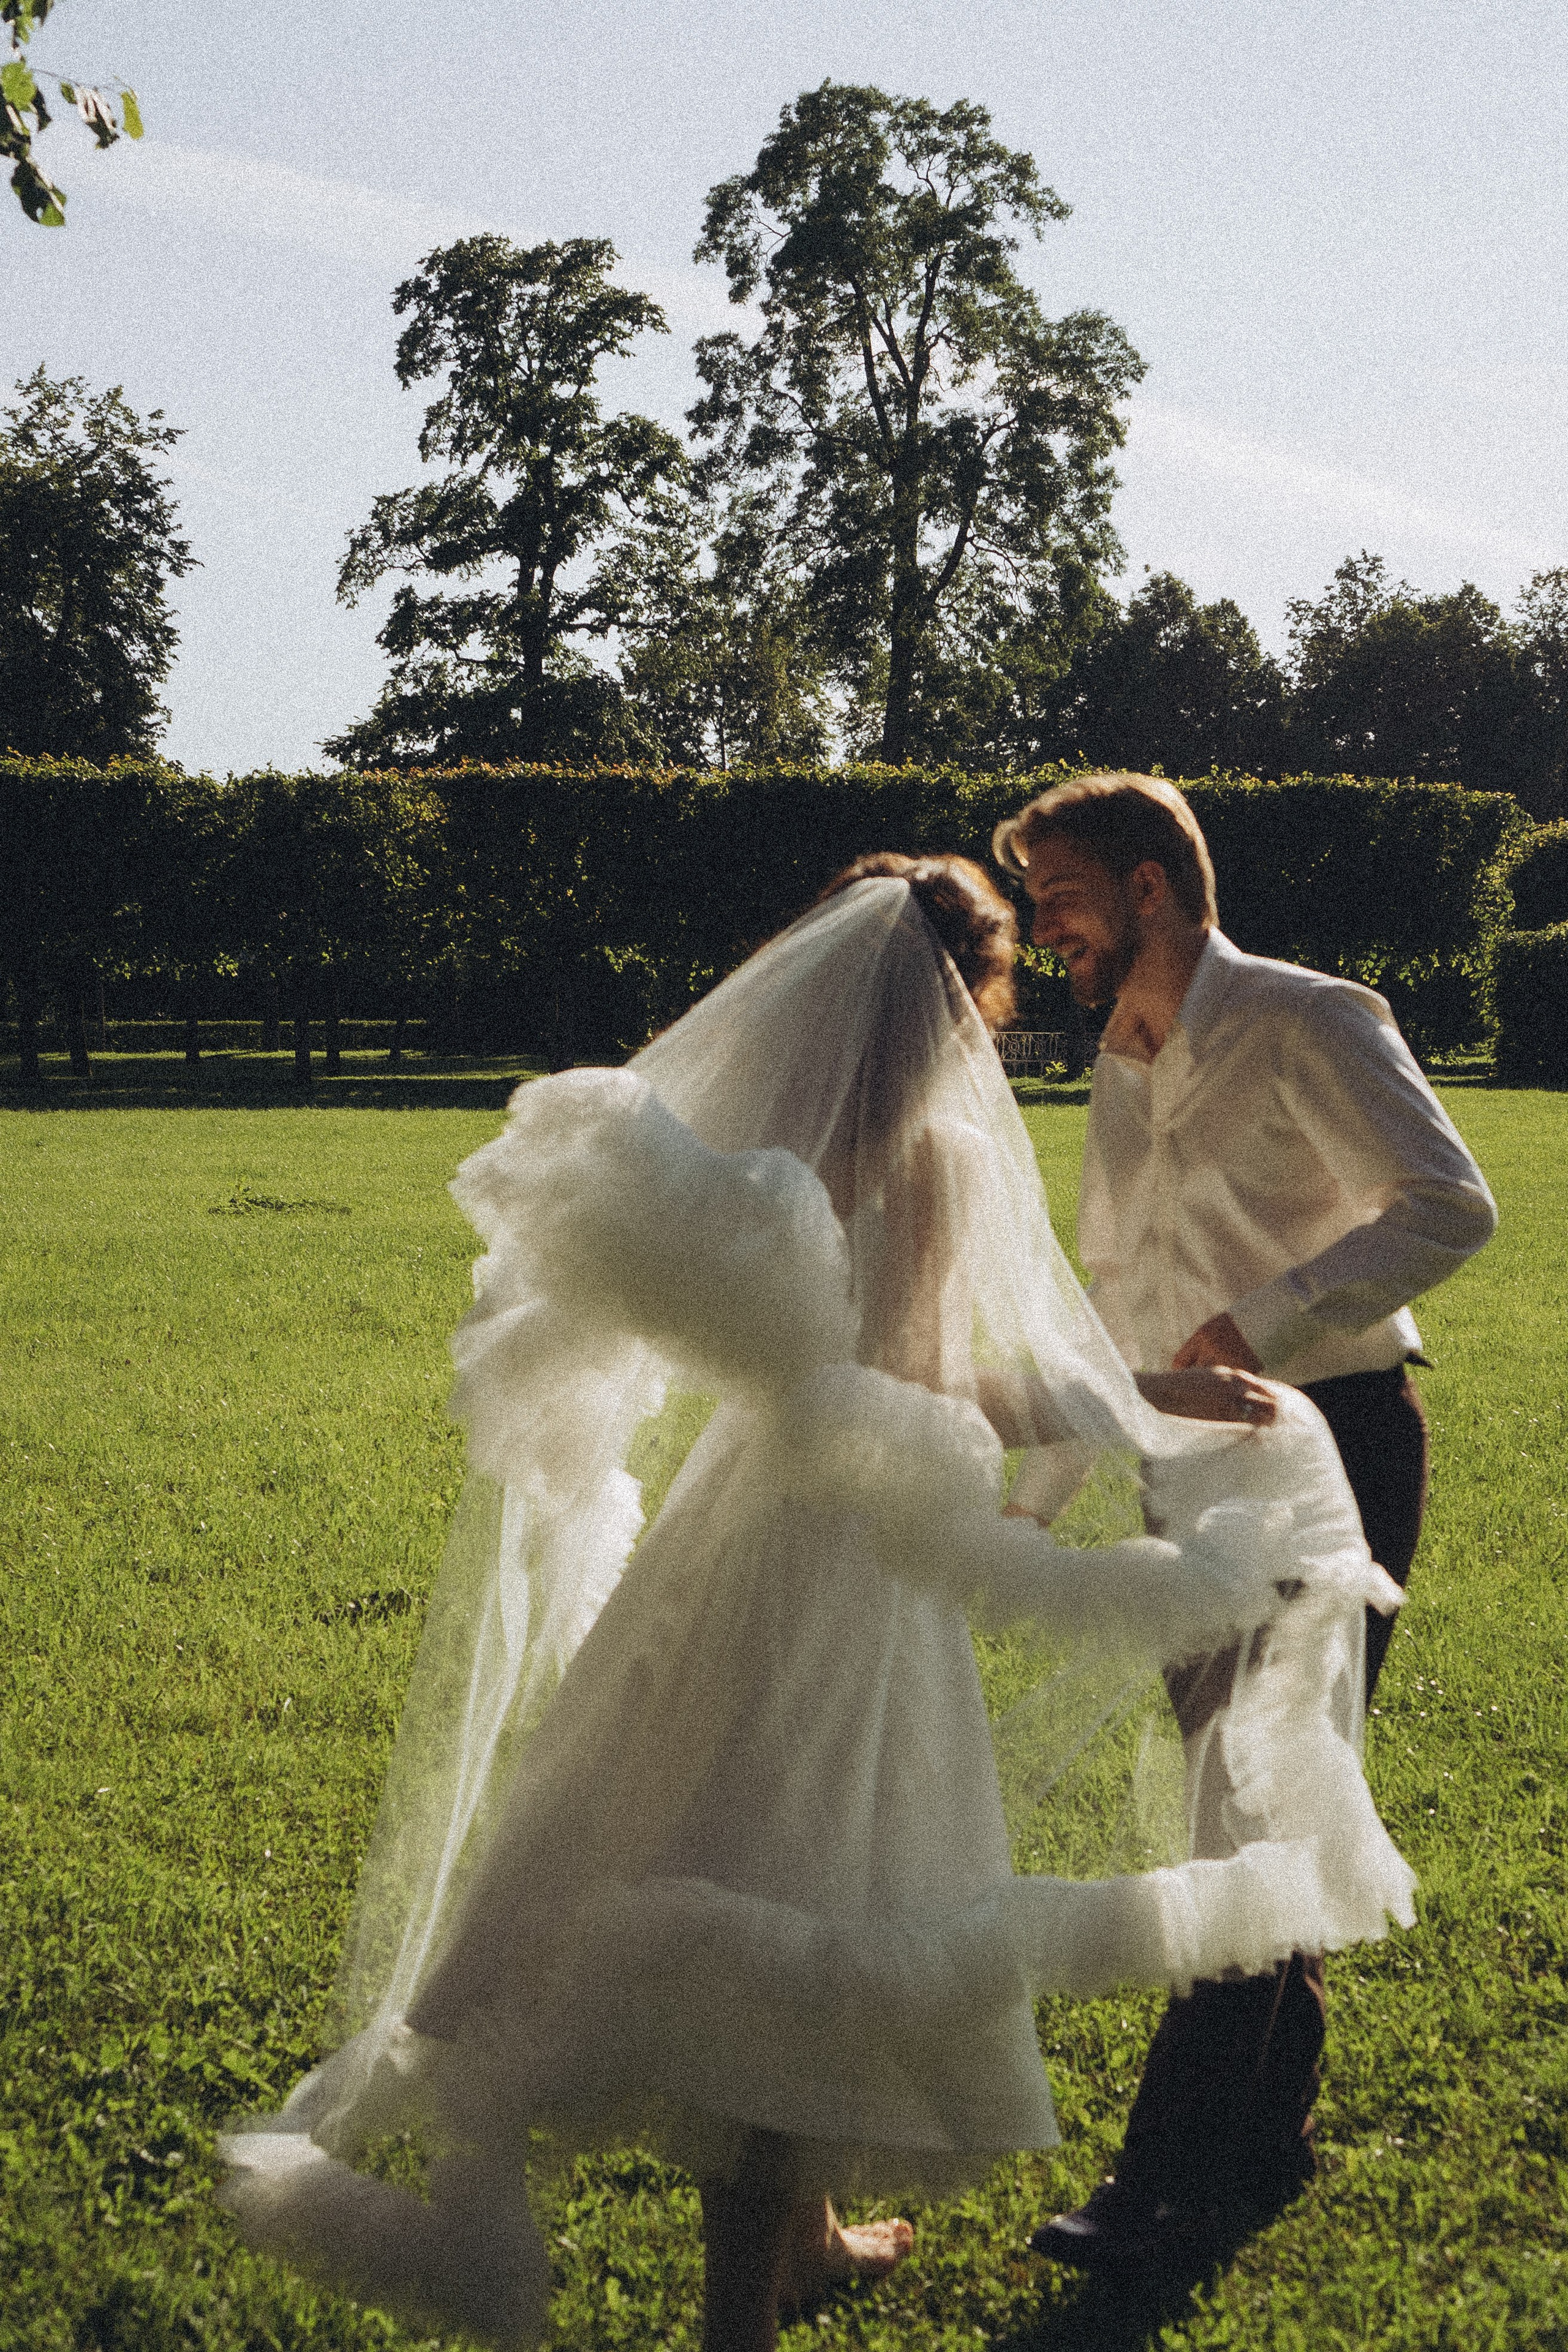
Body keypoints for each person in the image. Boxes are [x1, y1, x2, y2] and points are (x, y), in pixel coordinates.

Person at [217, 854, 1415, 2351]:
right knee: (807, 1912)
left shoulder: (766, 1131)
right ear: (962, 1001)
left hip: (733, 1529)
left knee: (715, 1838)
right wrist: (1142, 1394)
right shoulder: (935, 1157)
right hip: (853, 1561)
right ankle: (742, 2308)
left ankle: (810, 2238)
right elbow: (930, 1384)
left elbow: (811, 1361)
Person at [994, 774, 1497, 2274]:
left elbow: (1448, 1203)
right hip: (1184, 1476)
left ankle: (1166, 2182)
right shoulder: (1118, 1061)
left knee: (1251, 1811)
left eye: (1058, 895)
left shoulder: (1306, 1017)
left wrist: (1263, 1320)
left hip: (1327, 1451)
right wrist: (1030, 1500)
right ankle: (1267, 2138)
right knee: (1258, 1804)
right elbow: (1112, 1303)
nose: (1041, 927)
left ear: (1146, 887)